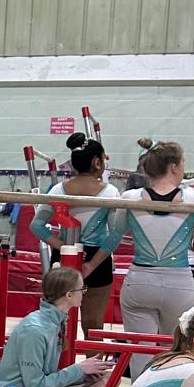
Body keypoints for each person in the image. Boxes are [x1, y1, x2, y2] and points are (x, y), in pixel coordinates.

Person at [104, 141, 194, 377]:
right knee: (174, 351)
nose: (184, 168)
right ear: (174, 167)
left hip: (140, 282)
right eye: (183, 163)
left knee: (139, 352)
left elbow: (115, 233)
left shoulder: (129, 197)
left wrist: (89, 265)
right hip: (178, 284)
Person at [0, 266, 108, 387]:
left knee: (107, 381)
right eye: (82, 288)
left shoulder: (55, 322)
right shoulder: (34, 330)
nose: (84, 292)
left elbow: (49, 377)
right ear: (69, 295)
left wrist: (84, 375)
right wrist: (78, 370)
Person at [30, 134, 120, 336]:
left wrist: (63, 247)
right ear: (97, 162)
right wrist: (91, 265)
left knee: (58, 323)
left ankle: (55, 357)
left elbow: (37, 225)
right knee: (93, 325)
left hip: (64, 255)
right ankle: (93, 357)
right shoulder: (111, 192)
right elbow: (115, 235)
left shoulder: (58, 189)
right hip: (97, 258)